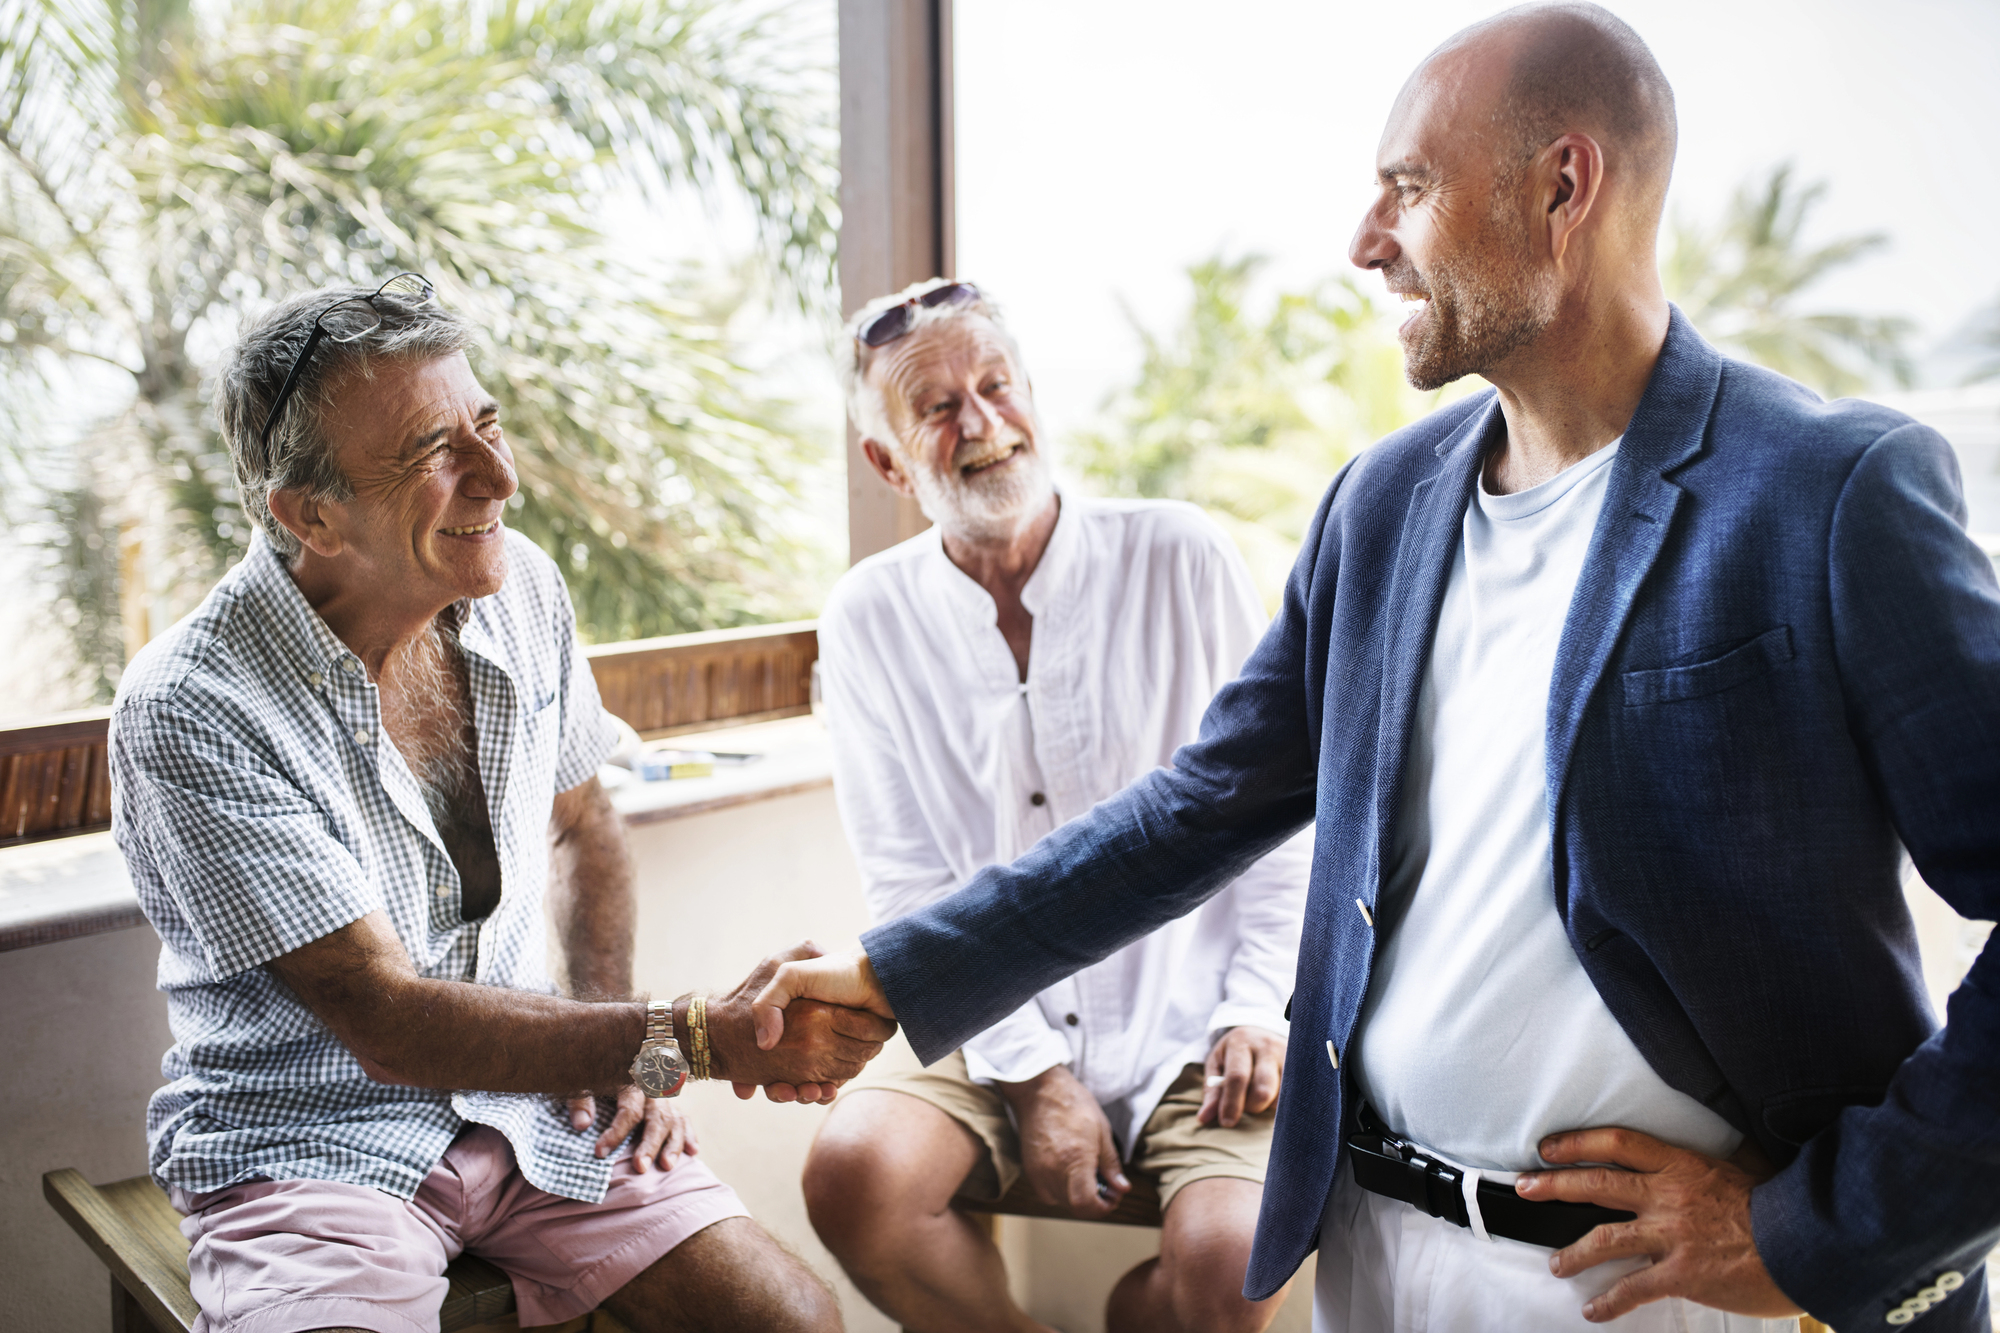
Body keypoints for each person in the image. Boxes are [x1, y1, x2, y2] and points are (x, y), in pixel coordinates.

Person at [750, 6, 2000, 1332]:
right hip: (1383, 1263)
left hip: (1673, 1298)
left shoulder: (1829, 491)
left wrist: (1821, 1228)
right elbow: (1196, 812)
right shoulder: (1383, 506)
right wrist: (900, 975)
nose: (1365, 241)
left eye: (1408, 187)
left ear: (1562, 187)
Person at [109, 277, 893, 1333]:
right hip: (310, 1140)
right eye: (435, 454)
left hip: (541, 1101)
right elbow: (385, 1019)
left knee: (798, 1322)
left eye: (486, 425)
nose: (501, 478)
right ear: (309, 514)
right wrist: (694, 1035)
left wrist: (644, 1064)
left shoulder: (516, 583)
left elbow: (583, 824)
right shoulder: (192, 707)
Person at [799, 281, 1311, 1333]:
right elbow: (907, 884)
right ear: (887, 461)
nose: (980, 426)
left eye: (995, 387)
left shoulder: (1183, 554)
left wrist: (1257, 1004)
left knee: (1227, 1269)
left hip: (1193, 1018)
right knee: (852, 1176)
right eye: (935, 407)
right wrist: (1032, 1077)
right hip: (988, 1021)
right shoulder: (862, 620)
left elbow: (1277, 810)